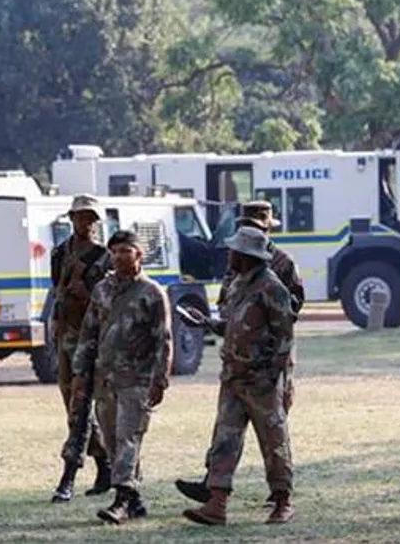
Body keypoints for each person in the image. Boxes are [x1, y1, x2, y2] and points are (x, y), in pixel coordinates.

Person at [175, 200, 304, 508]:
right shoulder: (237, 276)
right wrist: (210, 323)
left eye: (255, 225)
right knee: (226, 433)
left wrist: (273, 369)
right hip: (235, 367)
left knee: (272, 434)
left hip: (265, 368)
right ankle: (215, 495)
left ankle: (281, 498)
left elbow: (287, 321)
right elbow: (231, 313)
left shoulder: (279, 269)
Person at [70, 230, 172, 525]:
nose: (117, 257)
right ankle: (135, 499)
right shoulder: (102, 289)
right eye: (113, 251)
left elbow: (163, 341)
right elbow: (89, 333)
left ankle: (122, 500)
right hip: (105, 379)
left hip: (136, 380)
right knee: (113, 441)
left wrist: (160, 380)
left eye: (124, 251)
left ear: (138, 255)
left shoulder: (152, 293)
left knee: (129, 436)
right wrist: (80, 373)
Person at [50, 195, 113, 503]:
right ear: (71, 219)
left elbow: (111, 303)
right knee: (73, 409)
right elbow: (56, 292)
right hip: (65, 336)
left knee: (80, 408)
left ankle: (69, 475)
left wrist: (87, 295)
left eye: (90, 218)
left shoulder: (104, 257)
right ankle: (105, 464)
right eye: (80, 217)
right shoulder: (60, 253)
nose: (85, 223)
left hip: (92, 339)